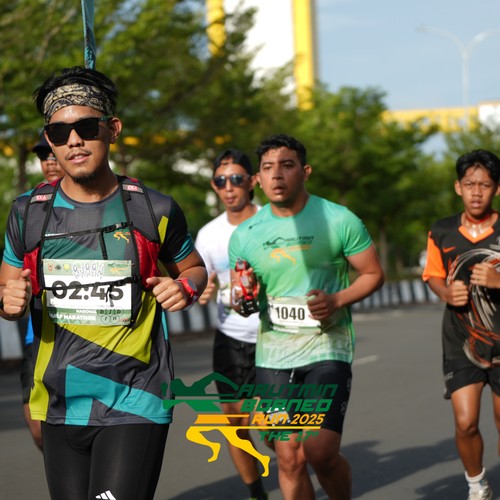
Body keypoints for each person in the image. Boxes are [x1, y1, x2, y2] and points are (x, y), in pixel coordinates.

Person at [0, 66, 207, 500]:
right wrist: (8, 301)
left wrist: (185, 288)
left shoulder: (154, 209)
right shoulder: (28, 212)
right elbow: (8, 293)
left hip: (135, 397)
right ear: (50, 140)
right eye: (59, 132)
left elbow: (193, 269)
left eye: (86, 127)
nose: (73, 141)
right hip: (60, 400)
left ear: (112, 129)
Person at [228, 134, 385, 500]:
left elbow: (373, 273)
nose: (277, 175)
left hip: (327, 346)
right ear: (257, 179)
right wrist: (243, 299)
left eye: (287, 165)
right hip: (274, 354)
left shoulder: (339, 219)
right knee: (288, 457)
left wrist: (337, 299)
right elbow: (242, 297)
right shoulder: (245, 235)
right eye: (268, 168)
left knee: (320, 452)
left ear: (305, 171)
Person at [423, 149, 500, 500]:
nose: (476, 192)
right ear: (458, 187)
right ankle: (477, 485)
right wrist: (445, 292)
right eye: (470, 184)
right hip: (461, 339)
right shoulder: (441, 231)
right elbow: (433, 274)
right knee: (466, 422)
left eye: (484, 185)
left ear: (496, 189)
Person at [195, 149, 268, 500]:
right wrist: (200, 290)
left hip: (274, 337)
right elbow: (198, 280)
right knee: (234, 422)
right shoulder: (208, 235)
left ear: (252, 182)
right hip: (231, 337)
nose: (229, 187)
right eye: (221, 181)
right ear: (214, 185)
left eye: (237, 179)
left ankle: (291, 463)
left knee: (271, 428)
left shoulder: (274, 222)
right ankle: (257, 493)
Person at [20, 133, 65, 452]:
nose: (49, 162)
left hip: (91, 333)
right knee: (38, 429)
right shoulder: (26, 207)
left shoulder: (105, 202)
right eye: (42, 156)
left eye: (53, 154)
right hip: (38, 333)